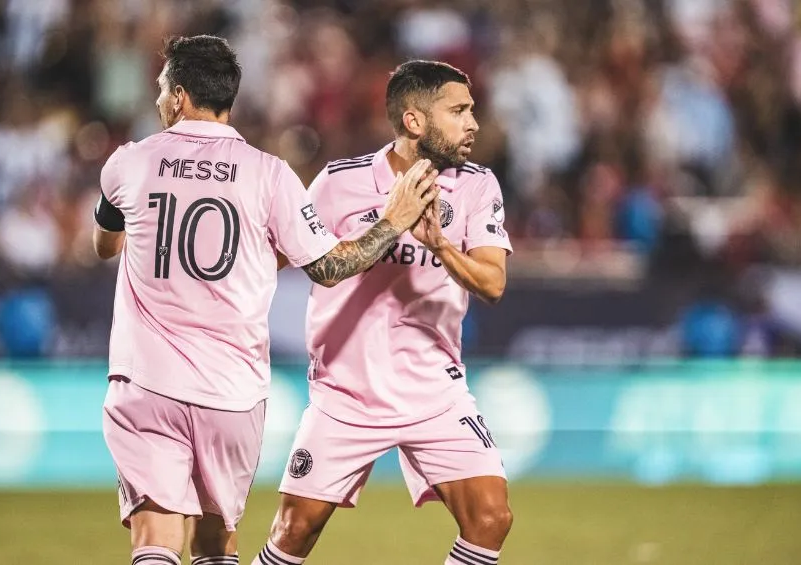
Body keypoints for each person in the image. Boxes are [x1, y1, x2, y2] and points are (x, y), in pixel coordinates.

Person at [93, 36, 439, 565]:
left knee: (154, 539)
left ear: (180, 95)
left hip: (146, 382)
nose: (159, 101)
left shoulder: (129, 162)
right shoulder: (270, 174)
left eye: (163, 90)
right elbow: (328, 267)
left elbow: (104, 244)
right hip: (232, 394)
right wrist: (392, 222)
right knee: (216, 544)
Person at [252, 60, 514, 565]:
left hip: (435, 392)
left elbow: (493, 283)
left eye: (472, 111)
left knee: (491, 518)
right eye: (458, 111)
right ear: (415, 122)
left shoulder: (478, 186)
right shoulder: (338, 184)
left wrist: (441, 246)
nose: (473, 124)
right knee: (294, 529)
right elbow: (289, 259)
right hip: (347, 393)